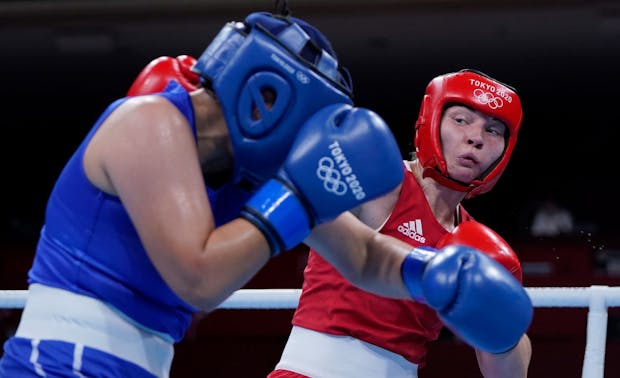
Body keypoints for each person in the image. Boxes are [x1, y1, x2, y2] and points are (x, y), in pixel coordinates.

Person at [0, 5, 532, 376]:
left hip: (136, 364)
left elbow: (365, 255)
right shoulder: (152, 124)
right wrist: (299, 197)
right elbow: (198, 279)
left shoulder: (250, 172)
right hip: (61, 361)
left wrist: (432, 275)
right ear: (267, 91)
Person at [269, 70, 533, 378]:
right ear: (431, 120)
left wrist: (504, 336)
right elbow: (295, 197)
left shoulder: (475, 245)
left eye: (493, 130)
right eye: (460, 120)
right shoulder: (383, 181)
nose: (475, 138)